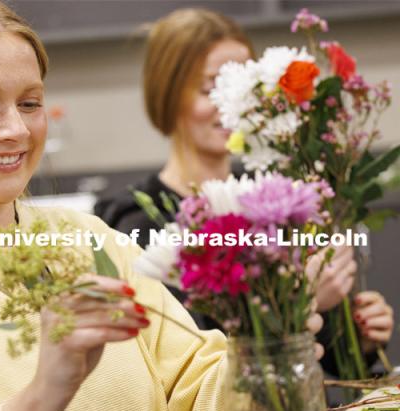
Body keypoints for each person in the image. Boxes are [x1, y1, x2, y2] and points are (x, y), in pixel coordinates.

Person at [0, 1, 325, 411]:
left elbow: (193, 404)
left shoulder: (91, 242)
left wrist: (270, 340)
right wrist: (45, 394)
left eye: (30, 103)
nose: (16, 130)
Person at [94, 8, 394, 363]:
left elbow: (322, 355)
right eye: (211, 89)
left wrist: (358, 336)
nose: (231, 106)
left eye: (244, 91)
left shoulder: (274, 206)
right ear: (168, 94)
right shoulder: (138, 224)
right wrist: (303, 298)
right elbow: (184, 362)